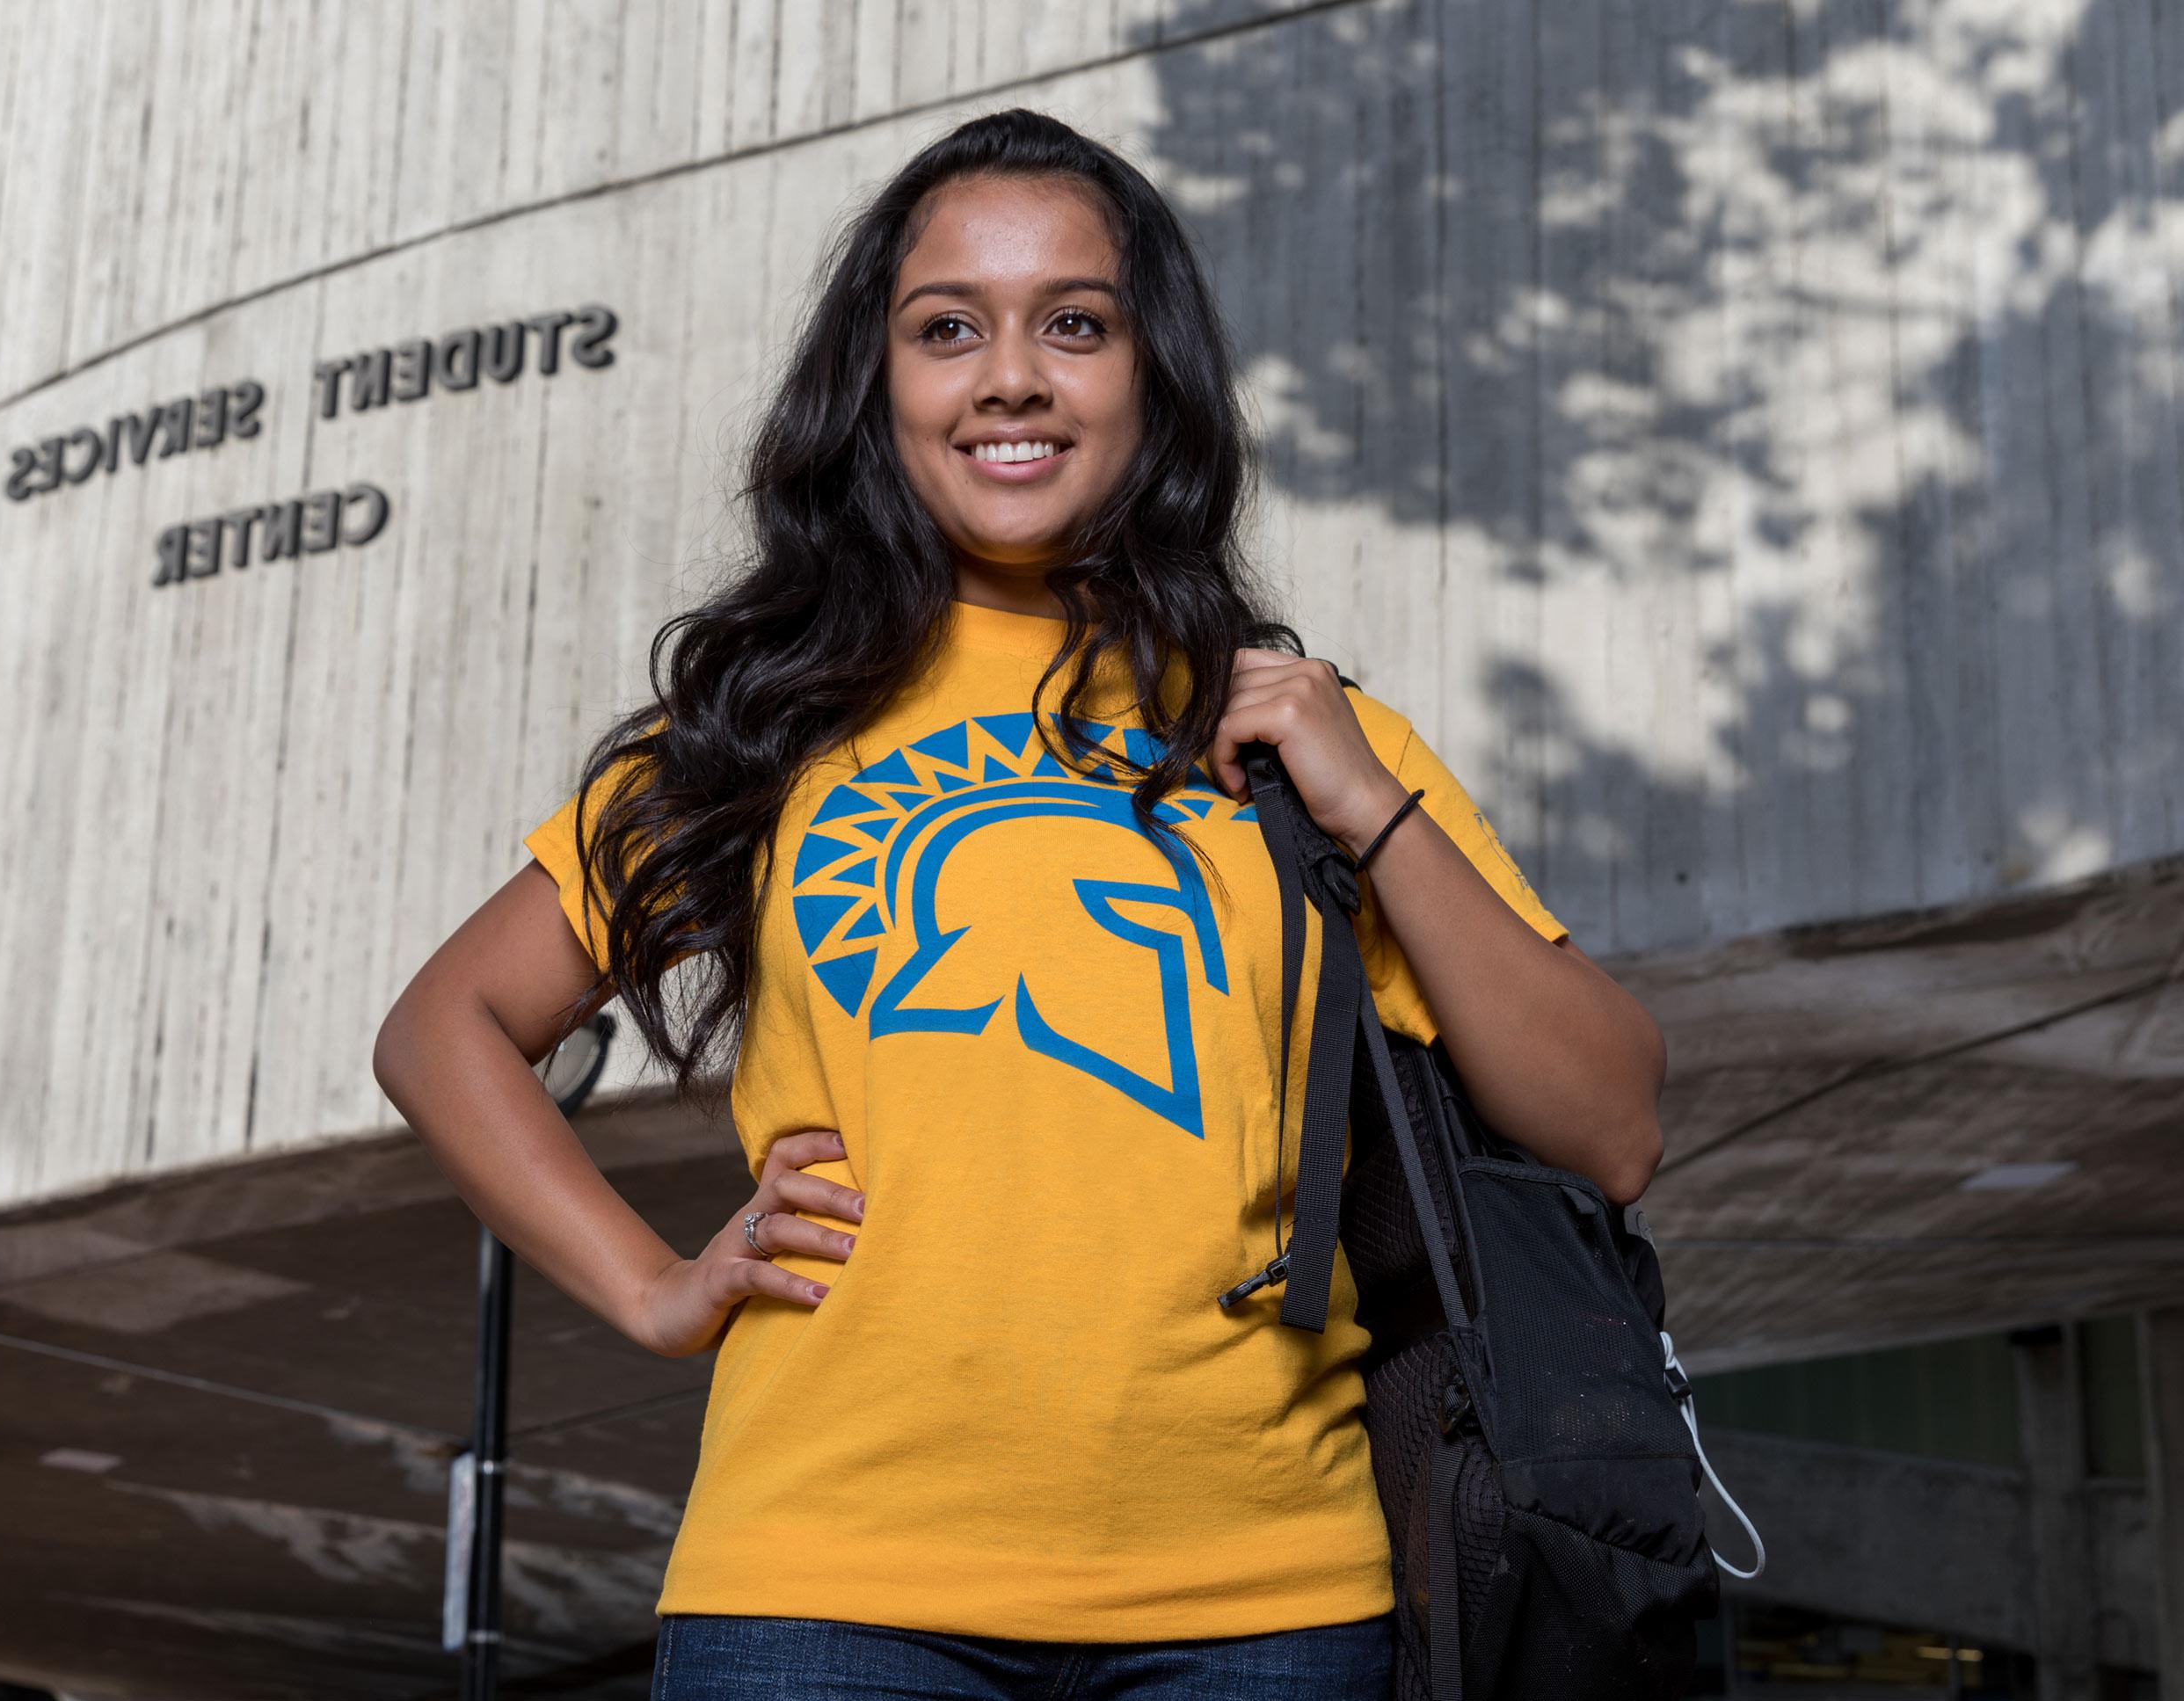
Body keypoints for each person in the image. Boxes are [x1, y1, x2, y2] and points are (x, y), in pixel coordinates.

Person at [374, 108, 1666, 1699]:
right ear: (879, 391)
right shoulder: (768, 719)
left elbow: (1611, 1127)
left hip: (1258, 1604)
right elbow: (446, 1030)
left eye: (1075, 324)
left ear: (1152, 379)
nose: (1010, 377)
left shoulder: (1293, 730)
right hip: (824, 1592)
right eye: (946, 330)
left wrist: (1367, 800)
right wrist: (657, 1292)